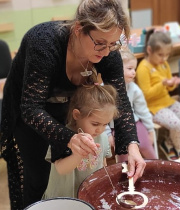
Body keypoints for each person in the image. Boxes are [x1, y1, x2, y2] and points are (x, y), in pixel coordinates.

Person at [0, 0, 145, 209]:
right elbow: (31, 109)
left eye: (113, 44)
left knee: (71, 176)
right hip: (29, 113)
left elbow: (120, 101)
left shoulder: (108, 52)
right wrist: (70, 138)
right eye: (100, 43)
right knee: (38, 179)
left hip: (69, 109)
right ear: (78, 29)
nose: (106, 52)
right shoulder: (44, 42)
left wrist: (131, 145)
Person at [43, 82, 118, 198]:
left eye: (105, 124)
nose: (100, 129)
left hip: (89, 196)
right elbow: (60, 169)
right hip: (64, 199)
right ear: (77, 115)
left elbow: (103, 164)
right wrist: (79, 154)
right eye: (95, 123)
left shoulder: (102, 137)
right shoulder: (62, 135)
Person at [136, 30, 180, 161]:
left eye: (167, 55)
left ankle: (168, 144)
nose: (164, 59)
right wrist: (162, 84)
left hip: (167, 101)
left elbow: (168, 86)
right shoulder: (143, 68)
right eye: (160, 55)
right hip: (152, 107)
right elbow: (145, 96)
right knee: (176, 125)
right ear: (150, 50)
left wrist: (172, 83)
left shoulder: (163, 64)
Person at [115, 49, 157, 162]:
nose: (134, 72)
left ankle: (157, 170)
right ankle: (126, 177)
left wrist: (150, 130)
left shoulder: (134, 88)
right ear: (117, 68)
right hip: (115, 126)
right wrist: (108, 134)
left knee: (146, 146)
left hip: (134, 122)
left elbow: (143, 110)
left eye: (134, 69)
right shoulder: (106, 88)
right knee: (124, 154)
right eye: (129, 69)